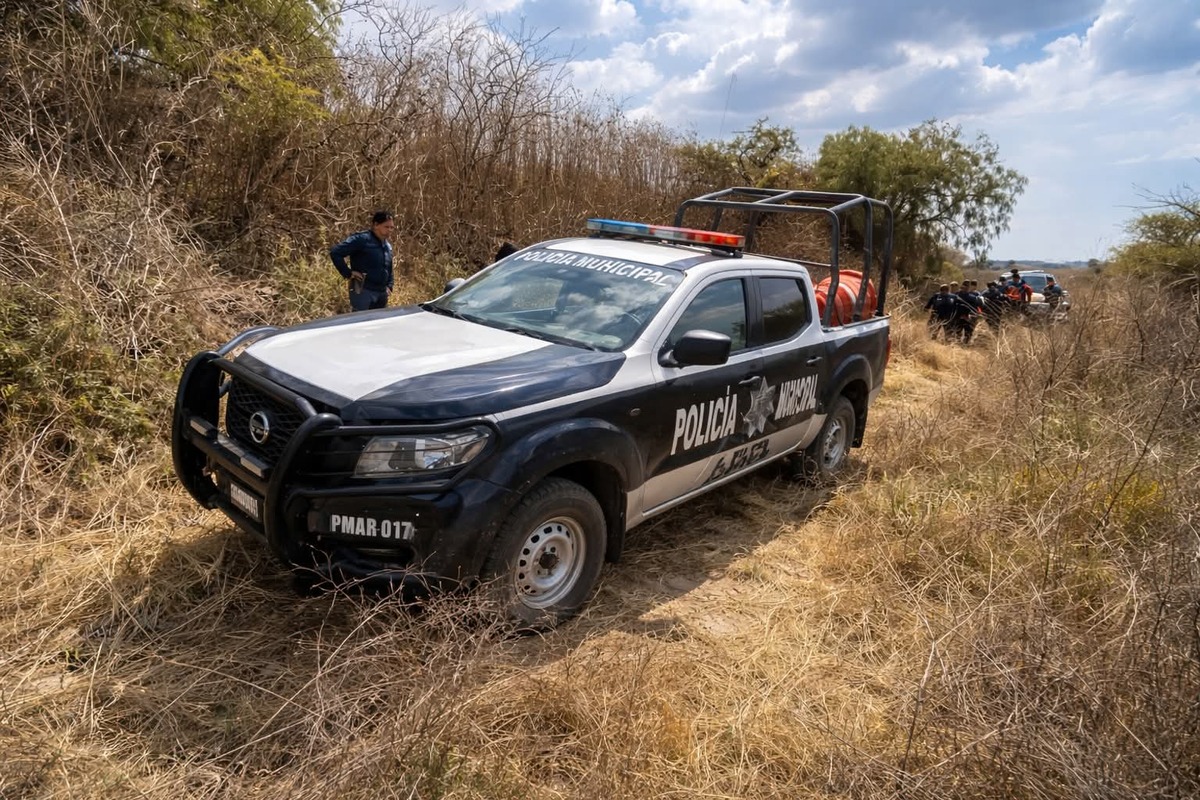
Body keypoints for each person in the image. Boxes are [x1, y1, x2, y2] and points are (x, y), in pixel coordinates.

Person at [330, 210, 395, 311]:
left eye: (392, 227)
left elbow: (389, 267)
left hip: (381, 293)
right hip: (363, 291)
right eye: (386, 227)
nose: (390, 230)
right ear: (376, 225)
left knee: (379, 324)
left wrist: (389, 286)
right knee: (360, 323)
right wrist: (348, 273)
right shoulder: (361, 240)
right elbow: (336, 252)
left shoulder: (387, 246)